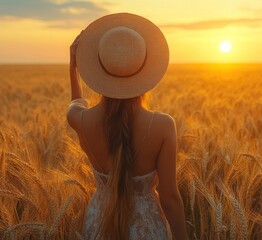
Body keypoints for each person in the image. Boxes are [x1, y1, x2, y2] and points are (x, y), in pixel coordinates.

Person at [67, 13, 188, 240]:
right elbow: (170, 198)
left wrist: (73, 67)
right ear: (145, 73)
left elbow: (76, 103)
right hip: (147, 228)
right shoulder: (163, 126)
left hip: (98, 224)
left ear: (99, 71)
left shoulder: (80, 120)